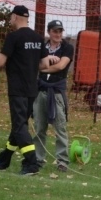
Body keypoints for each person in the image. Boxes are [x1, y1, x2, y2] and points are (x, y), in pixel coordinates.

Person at [0, 5, 49, 175]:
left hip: (17, 89)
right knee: (19, 125)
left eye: (10, 17)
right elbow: (44, 65)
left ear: (15, 17)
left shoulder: (13, 37)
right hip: (32, 89)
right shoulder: (38, 38)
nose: (10, 20)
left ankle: (31, 162)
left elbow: (0, 63)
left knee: (19, 126)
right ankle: (3, 160)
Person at [34, 20, 74, 172]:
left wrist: (43, 68)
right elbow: (34, 63)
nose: (58, 34)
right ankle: (38, 158)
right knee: (39, 128)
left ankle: (62, 161)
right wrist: (48, 61)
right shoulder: (41, 47)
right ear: (49, 32)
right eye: (55, 31)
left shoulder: (67, 48)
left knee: (60, 127)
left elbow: (60, 66)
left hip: (56, 93)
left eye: (60, 31)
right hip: (41, 91)